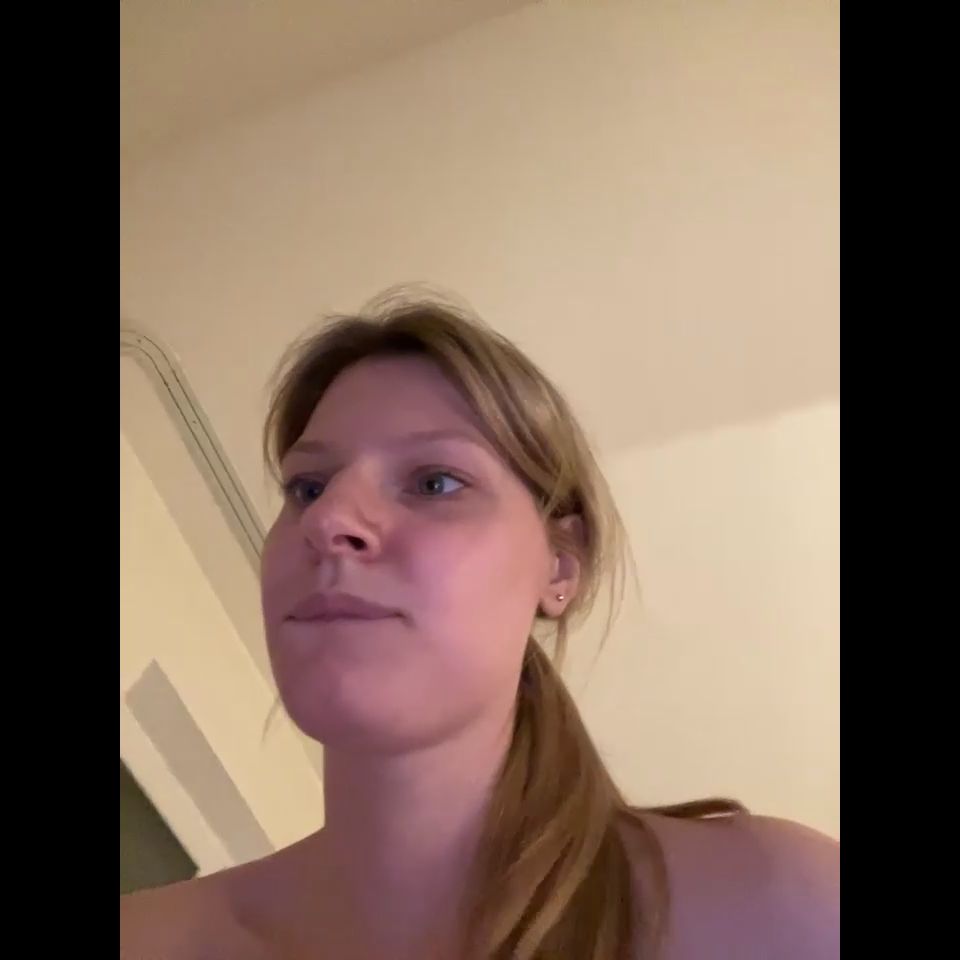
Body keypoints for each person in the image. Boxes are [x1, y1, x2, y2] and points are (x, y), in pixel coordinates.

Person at [120, 292, 839, 960]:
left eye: (435, 482)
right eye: (308, 487)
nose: (328, 519)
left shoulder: (781, 913)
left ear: (560, 565)